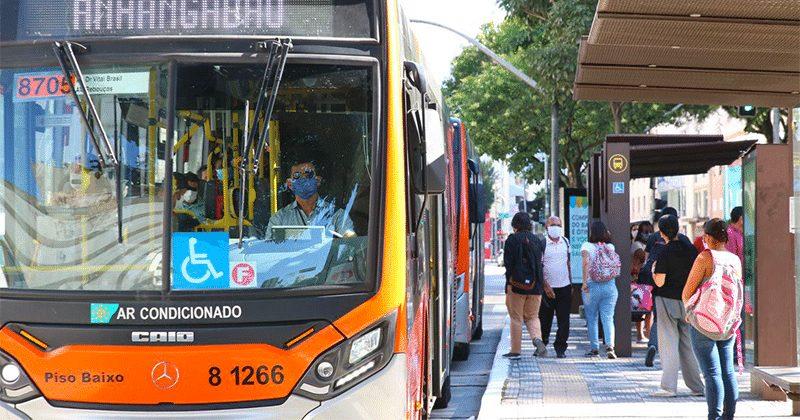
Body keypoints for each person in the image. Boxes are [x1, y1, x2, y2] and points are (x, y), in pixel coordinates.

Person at [684, 218, 742, 420]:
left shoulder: (705, 258)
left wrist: (690, 312)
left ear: (707, 237)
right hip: (727, 323)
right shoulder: (735, 259)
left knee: (712, 374)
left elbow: (687, 292)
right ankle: (729, 416)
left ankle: (714, 417)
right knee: (727, 371)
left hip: (704, 323)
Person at [651, 215, 704, 398]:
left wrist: (652, 271)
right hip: (688, 301)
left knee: (668, 343)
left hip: (667, 299)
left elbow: (659, 281)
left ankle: (668, 387)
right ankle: (697, 386)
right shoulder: (690, 249)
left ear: (662, 232)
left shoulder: (664, 252)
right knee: (688, 344)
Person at [265, 161, 355, 240]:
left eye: (308, 174)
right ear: (290, 184)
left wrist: (349, 237)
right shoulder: (279, 219)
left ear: (318, 181)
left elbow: (350, 241)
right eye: (297, 176)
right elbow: (268, 251)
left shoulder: (338, 215)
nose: (303, 179)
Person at [503, 212, 550, 359]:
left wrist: (509, 283)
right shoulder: (537, 240)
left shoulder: (512, 240)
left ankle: (516, 350)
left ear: (515, 224)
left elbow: (508, 264)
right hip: (536, 286)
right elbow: (540, 264)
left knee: (516, 317)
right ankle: (537, 340)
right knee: (532, 317)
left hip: (516, 285)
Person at [581, 221, 619, 359]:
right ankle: (610, 346)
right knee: (608, 317)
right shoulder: (610, 247)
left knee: (592, 318)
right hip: (610, 286)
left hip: (592, 286)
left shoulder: (587, 246)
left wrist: (584, 283)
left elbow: (585, 263)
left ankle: (594, 348)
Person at [538, 216, 572, 358]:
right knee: (545, 320)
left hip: (564, 287)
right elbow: (539, 266)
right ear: (547, 226)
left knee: (564, 321)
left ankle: (560, 348)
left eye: (558, 224)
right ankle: (542, 345)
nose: (556, 227)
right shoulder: (543, 243)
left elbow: (568, 263)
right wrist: (545, 286)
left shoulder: (566, 241)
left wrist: (570, 282)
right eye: (553, 224)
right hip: (547, 288)